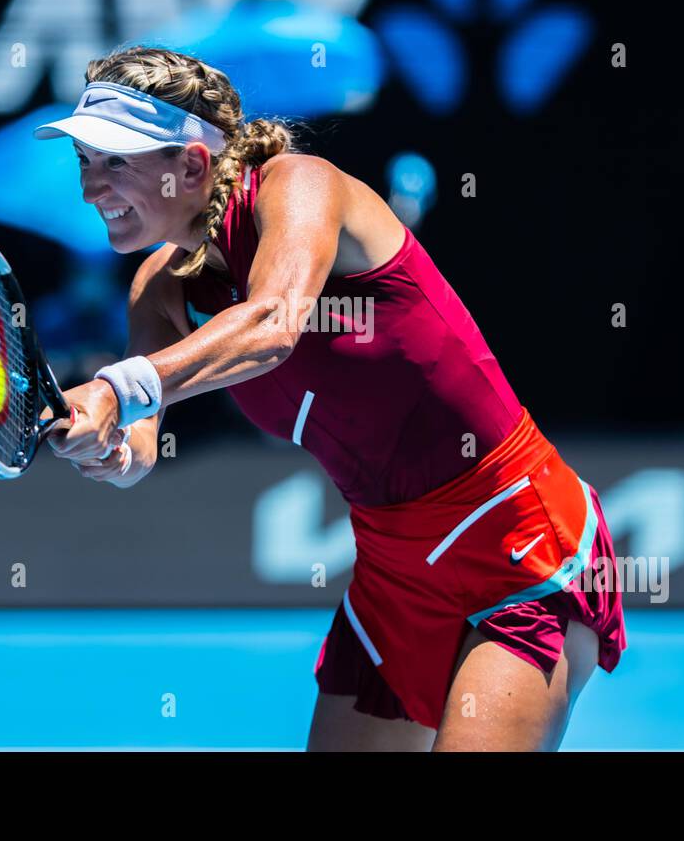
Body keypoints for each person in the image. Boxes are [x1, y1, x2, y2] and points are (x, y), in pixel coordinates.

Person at [33, 45, 627, 751]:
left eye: (116, 162)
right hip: (392, 572)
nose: (91, 189)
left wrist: (112, 387)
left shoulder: (299, 185)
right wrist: (97, 441)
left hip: (518, 539)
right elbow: (138, 446)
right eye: (85, 164)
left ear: (190, 165)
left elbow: (272, 324)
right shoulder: (159, 290)